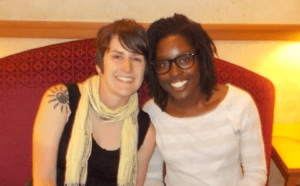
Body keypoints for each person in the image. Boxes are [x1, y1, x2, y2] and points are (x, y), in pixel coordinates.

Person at [143, 14, 267, 186]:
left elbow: (255, 174)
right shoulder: (152, 112)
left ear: (201, 58)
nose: (174, 73)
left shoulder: (239, 104)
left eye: (185, 59)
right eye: (163, 64)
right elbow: (152, 177)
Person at [32, 19, 156, 186]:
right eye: (117, 56)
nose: (127, 67)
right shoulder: (60, 101)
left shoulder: (146, 131)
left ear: (145, 70)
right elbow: (43, 179)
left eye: (136, 59)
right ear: (99, 64)